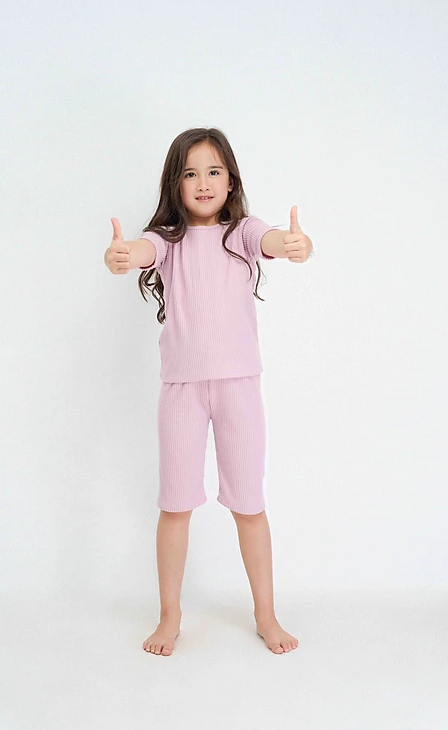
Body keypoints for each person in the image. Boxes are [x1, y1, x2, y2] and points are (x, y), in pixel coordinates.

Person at [104, 127, 314, 656]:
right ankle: (169, 615)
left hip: (238, 386)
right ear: (175, 184)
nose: (203, 183)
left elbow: (272, 241)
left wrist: (295, 245)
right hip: (182, 391)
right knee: (175, 504)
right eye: (190, 174)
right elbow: (141, 251)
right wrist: (123, 254)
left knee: (249, 503)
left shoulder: (242, 231)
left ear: (231, 180)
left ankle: (266, 614)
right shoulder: (167, 240)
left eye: (214, 172)